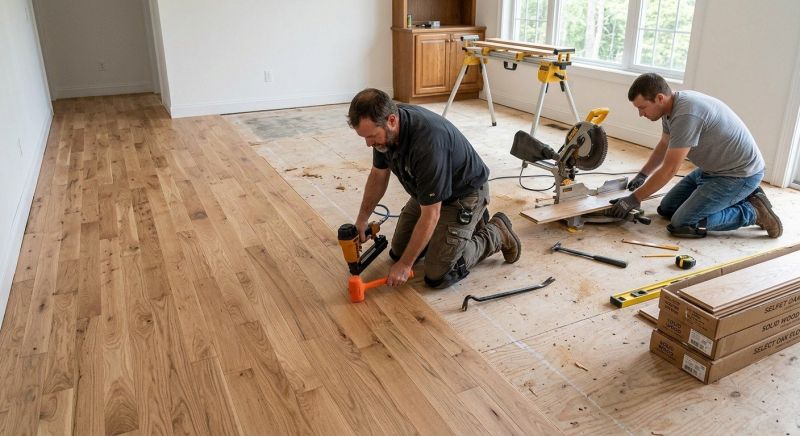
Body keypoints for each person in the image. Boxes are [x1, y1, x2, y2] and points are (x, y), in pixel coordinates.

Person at [347, 88, 521, 288]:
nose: (369, 144)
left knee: (438, 274)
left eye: (371, 136)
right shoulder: (384, 133)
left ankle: (496, 232)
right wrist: (362, 219)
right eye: (364, 138)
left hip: (463, 196)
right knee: (397, 252)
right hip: (428, 193)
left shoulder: (427, 142)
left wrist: (405, 265)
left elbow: (431, 214)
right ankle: (459, 232)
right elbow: (378, 175)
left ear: (392, 120)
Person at [610, 73, 782, 238]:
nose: (641, 114)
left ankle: (754, 212)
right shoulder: (670, 109)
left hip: (738, 175)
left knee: (683, 223)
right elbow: (664, 144)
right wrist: (643, 174)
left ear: (660, 98)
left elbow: (670, 169)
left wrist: (634, 198)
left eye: (642, 108)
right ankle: (741, 196)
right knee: (667, 209)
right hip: (712, 170)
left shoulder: (686, 114)